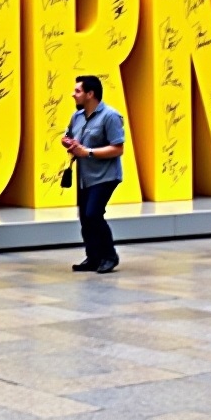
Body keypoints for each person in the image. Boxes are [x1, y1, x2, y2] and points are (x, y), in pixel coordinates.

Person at [61, 74, 126, 274]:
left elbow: (118, 149)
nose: (73, 94)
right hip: (85, 177)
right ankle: (93, 257)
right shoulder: (77, 117)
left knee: (94, 214)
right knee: (85, 218)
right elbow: (70, 135)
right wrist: (67, 142)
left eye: (78, 91)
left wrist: (87, 152)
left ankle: (109, 256)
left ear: (90, 94)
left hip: (105, 176)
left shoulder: (110, 116)